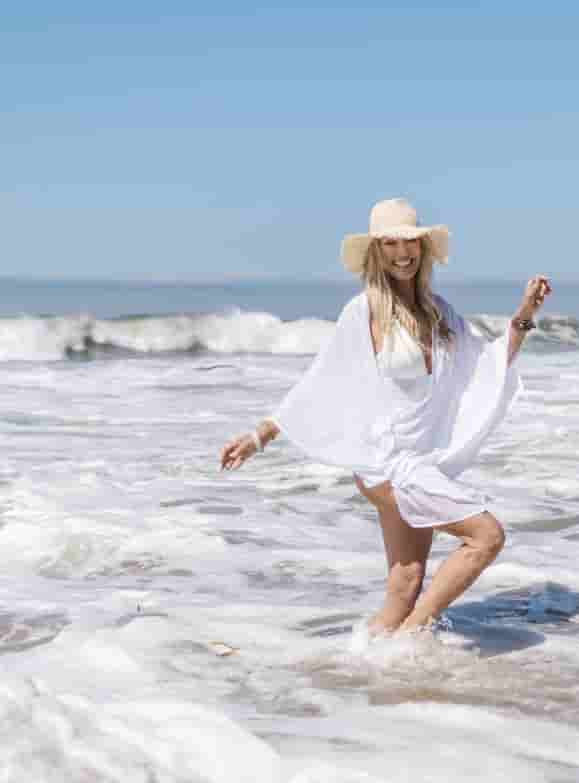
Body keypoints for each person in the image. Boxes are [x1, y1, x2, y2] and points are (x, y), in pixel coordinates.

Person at [219, 198, 551, 633]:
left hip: (420, 461)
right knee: (486, 537)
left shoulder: (438, 313)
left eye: (410, 242)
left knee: (405, 583)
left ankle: (366, 664)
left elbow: (486, 366)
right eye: (391, 244)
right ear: (376, 252)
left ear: (424, 248)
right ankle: (414, 636)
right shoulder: (364, 312)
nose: (403, 253)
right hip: (387, 464)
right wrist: (260, 436)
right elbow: (321, 380)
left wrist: (525, 315)